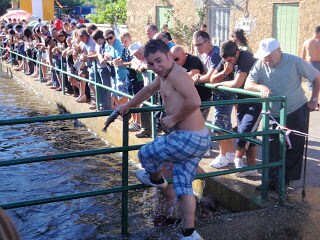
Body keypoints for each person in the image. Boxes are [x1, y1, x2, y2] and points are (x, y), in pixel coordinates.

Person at [117, 39, 211, 240]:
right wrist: (129, 105)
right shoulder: (165, 74)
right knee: (184, 186)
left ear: (169, 55)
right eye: (151, 64)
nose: (155, 67)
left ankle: (157, 180)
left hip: (188, 138)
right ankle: (189, 233)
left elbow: (195, 101)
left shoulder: (177, 74)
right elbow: (147, 90)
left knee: (145, 153)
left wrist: (173, 119)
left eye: (159, 61)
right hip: (198, 139)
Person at [245, 38, 320, 189]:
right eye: (264, 56)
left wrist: (313, 99)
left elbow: (316, 77)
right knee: (271, 147)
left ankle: (285, 182)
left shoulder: (294, 61)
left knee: (294, 148)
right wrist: (261, 87)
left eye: (269, 56)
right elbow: (248, 84)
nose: (266, 59)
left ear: (279, 51)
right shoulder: (261, 64)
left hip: (296, 109)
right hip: (273, 114)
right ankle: (271, 180)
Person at [210, 40, 260, 176]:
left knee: (246, 130)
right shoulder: (227, 59)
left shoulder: (246, 57)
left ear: (237, 53)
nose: (229, 63)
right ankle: (252, 168)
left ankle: (238, 162)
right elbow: (212, 80)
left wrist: (221, 84)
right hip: (242, 100)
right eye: (226, 61)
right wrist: (225, 72)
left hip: (256, 100)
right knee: (248, 133)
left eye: (231, 60)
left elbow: (237, 83)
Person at [192, 30, 235, 162]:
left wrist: (196, 78)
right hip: (218, 93)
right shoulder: (206, 55)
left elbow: (209, 77)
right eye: (195, 45)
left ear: (208, 42)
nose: (197, 48)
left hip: (225, 94)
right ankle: (230, 154)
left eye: (199, 45)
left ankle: (223, 157)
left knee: (219, 123)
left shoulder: (215, 55)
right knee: (225, 124)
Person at [301, 25, 320, 90]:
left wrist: (303, 66)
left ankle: (313, 98)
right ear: (318, 33)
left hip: (310, 64)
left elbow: (302, 56)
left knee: (311, 83)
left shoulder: (306, 42)